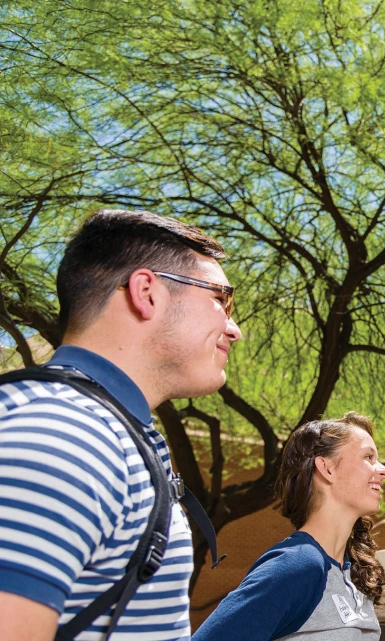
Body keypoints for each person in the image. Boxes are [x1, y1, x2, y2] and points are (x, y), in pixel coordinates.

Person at [0, 209, 242, 640]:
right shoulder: (64, 435)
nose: (233, 328)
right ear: (146, 292)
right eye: (221, 299)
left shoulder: (97, 431)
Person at [193, 412, 385, 641]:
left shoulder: (352, 571)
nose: (384, 470)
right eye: (368, 457)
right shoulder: (298, 565)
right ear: (327, 469)